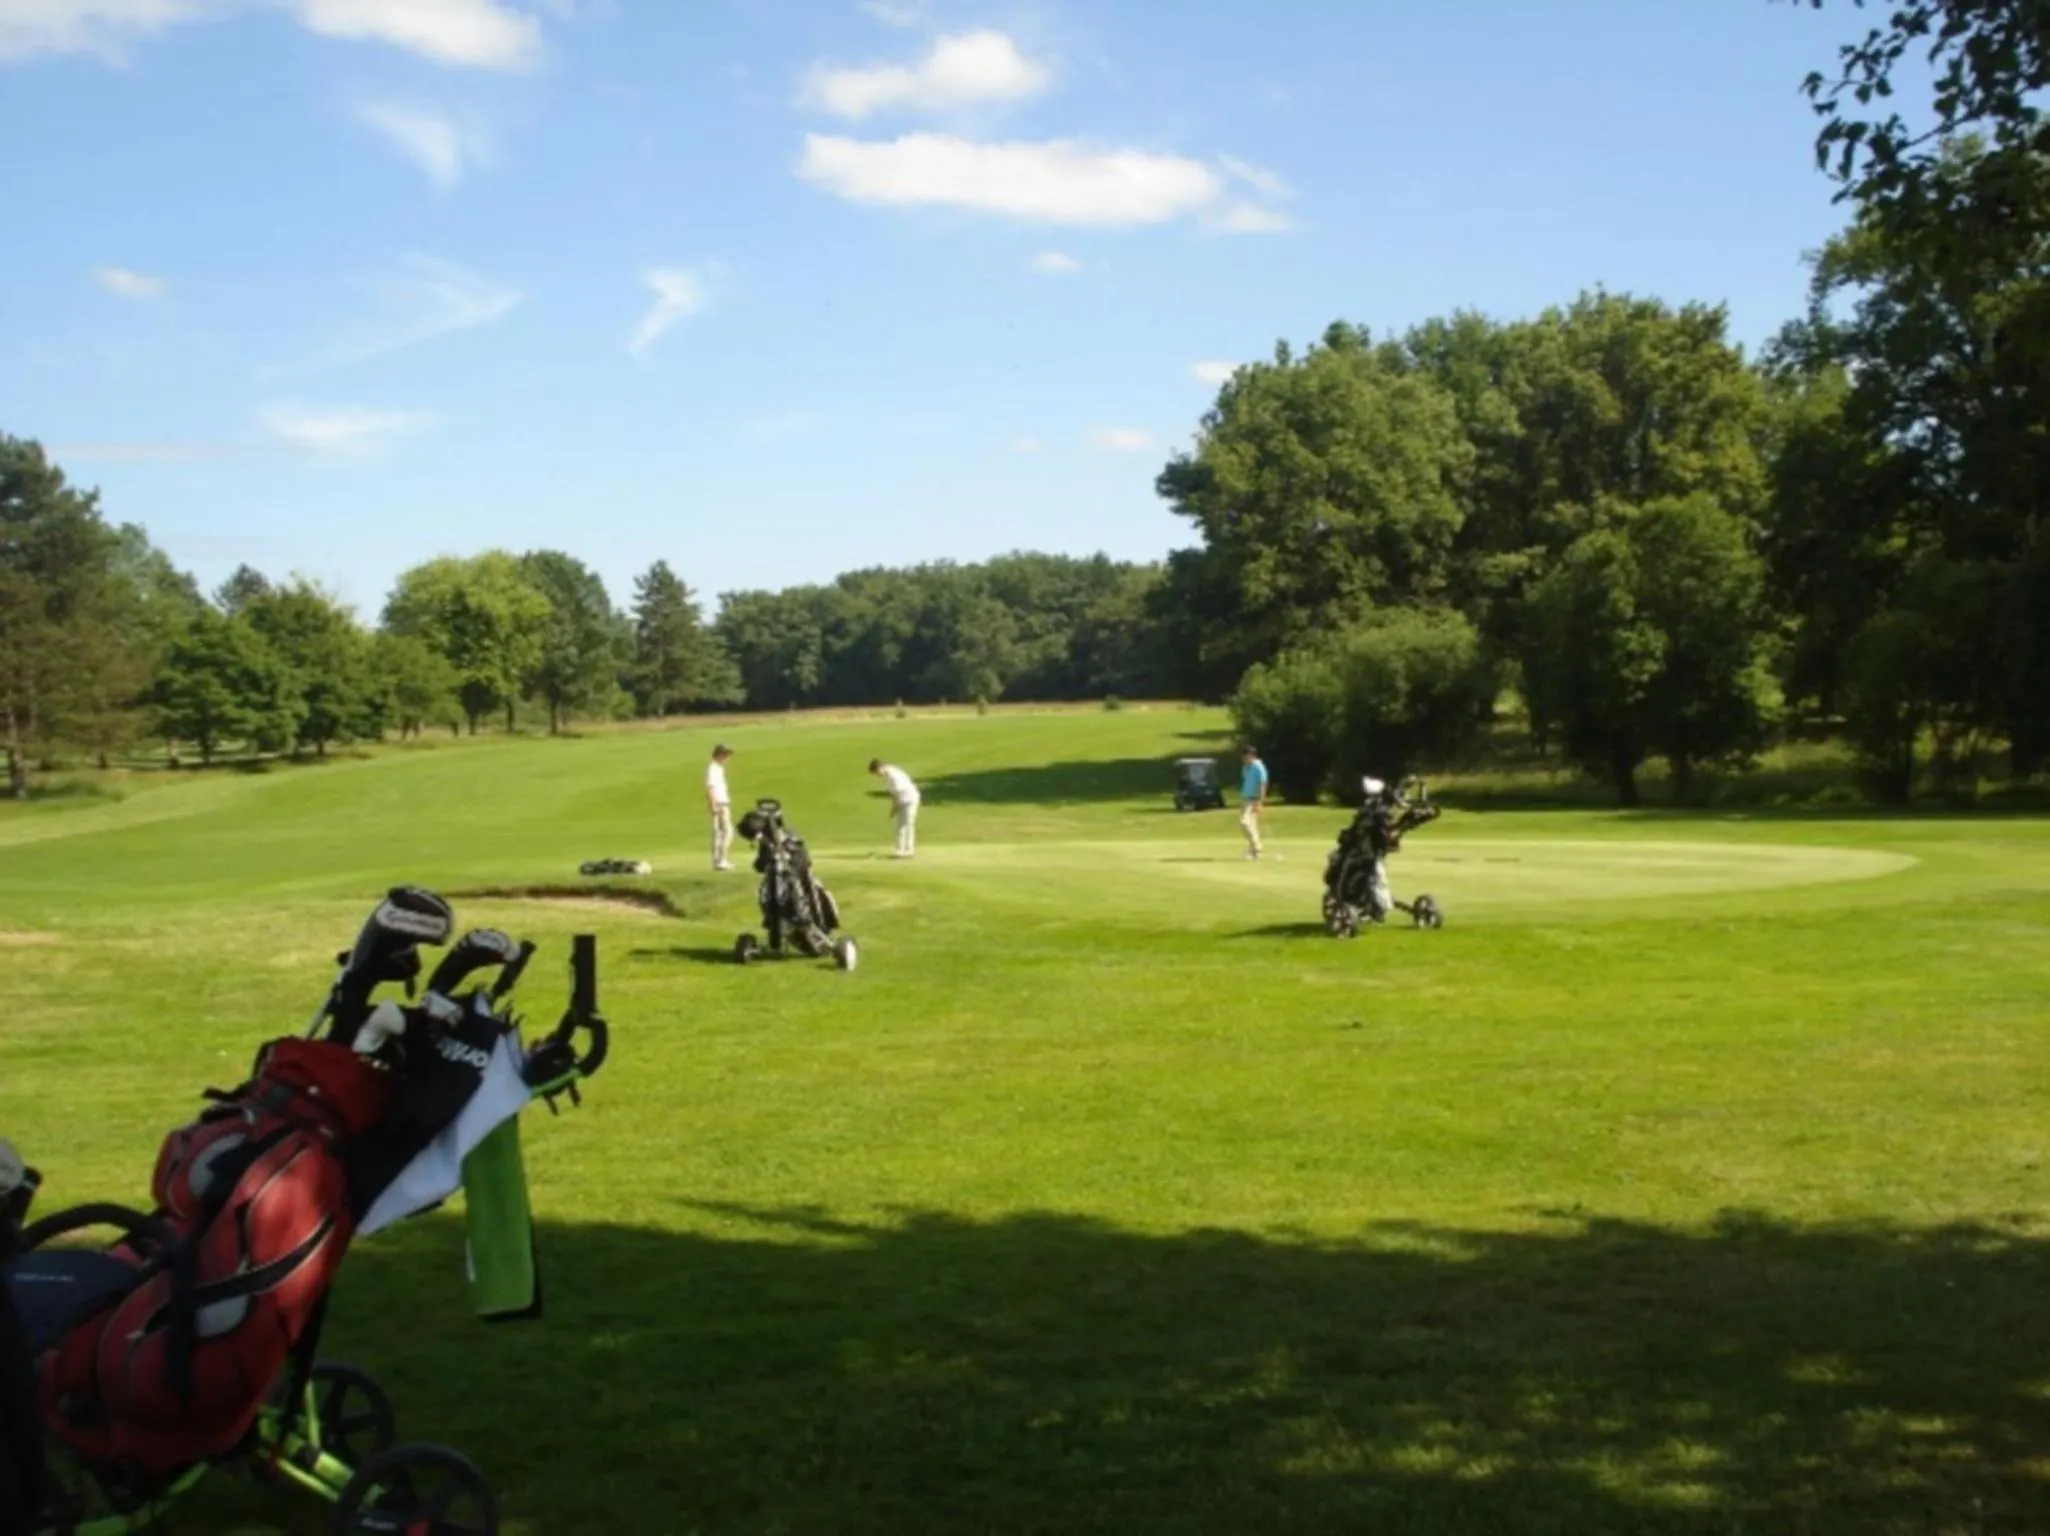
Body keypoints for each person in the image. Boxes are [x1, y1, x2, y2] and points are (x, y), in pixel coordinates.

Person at [869, 757, 920, 858]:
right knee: (899, 825)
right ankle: (900, 848)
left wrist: (894, 809)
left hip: (910, 799)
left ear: (880, 767)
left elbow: (898, 795)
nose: (877, 775)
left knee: (907, 823)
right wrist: (894, 808)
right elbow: (894, 794)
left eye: (876, 772)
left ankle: (909, 850)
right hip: (903, 799)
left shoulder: (893, 775)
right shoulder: (888, 774)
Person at [706, 743, 736, 871]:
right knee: (726, 832)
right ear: (719, 755)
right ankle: (721, 860)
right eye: (725, 755)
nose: (727, 759)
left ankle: (718, 860)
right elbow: (710, 787)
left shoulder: (718, 768)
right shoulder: (713, 768)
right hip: (720, 803)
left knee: (719, 832)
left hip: (721, 802)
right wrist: (713, 804)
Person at [1238, 744, 1269, 859]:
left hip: (1254, 799)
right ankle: (1254, 851)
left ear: (1251, 755)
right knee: (1251, 825)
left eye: (1245, 756)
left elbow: (1262, 784)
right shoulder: (1245, 767)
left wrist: (1260, 801)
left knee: (1244, 822)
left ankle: (1256, 847)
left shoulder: (1259, 767)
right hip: (1245, 799)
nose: (1243, 759)